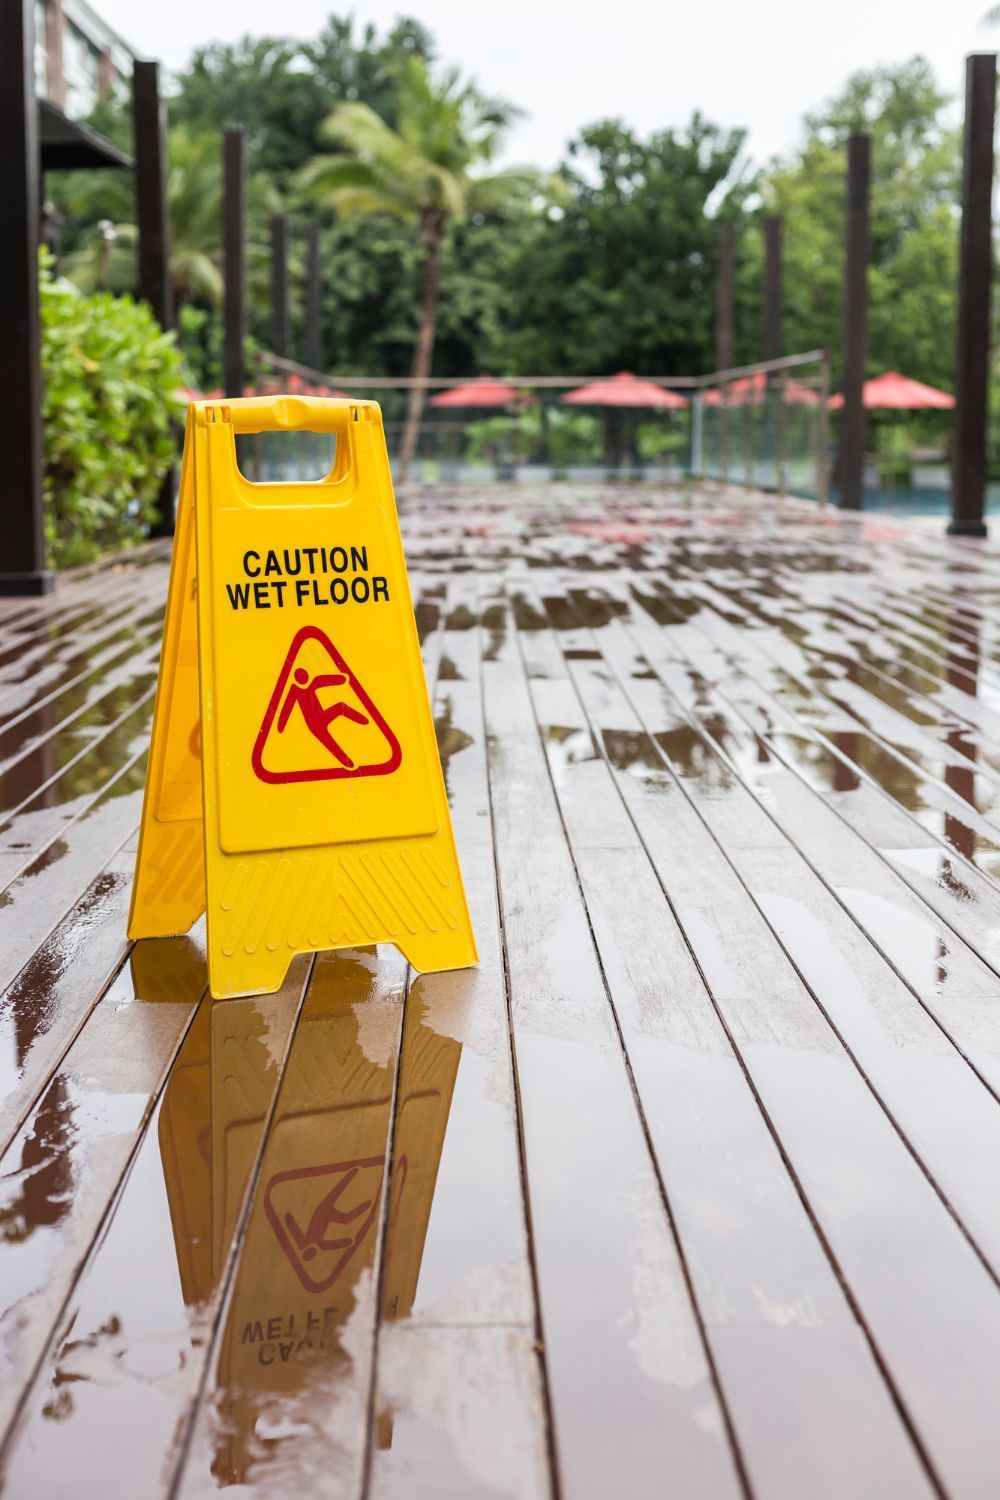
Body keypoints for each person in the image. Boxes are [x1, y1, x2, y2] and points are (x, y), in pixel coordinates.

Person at [277, 667, 368, 768]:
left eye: (305, 674)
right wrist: (281, 726)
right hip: (314, 724)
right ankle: (348, 764)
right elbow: (287, 708)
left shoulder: (313, 683)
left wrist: (343, 679)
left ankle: (364, 721)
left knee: (340, 707)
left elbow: (325, 680)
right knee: (330, 743)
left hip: (322, 716)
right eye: (301, 676)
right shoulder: (295, 690)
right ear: (297, 679)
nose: (305, 677)